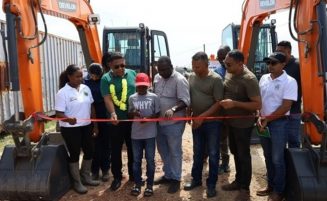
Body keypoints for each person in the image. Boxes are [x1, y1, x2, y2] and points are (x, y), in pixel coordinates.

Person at [220, 50, 261, 201]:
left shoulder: (249, 79)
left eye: (229, 64)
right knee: (235, 152)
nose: (226, 66)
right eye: (225, 63)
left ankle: (245, 188)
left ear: (240, 64)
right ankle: (238, 181)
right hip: (231, 122)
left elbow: (257, 104)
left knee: (243, 155)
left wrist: (234, 103)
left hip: (243, 124)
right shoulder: (230, 72)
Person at [256, 52, 297, 201]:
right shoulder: (263, 78)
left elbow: (286, 106)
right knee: (267, 156)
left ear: (283, 64)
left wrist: (268, 119)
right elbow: (259, 100)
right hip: (263, 122)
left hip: (279, 123)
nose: (270, 66)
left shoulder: (290, 81)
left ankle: (279, 191)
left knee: (277, 159)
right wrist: (259, 116)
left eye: (273, 63)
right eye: (268, 63)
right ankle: (271, 185)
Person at [183, 51, 224, 198]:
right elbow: (190, 96)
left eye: (198, 67)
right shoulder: (192, 76)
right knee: (198, 152)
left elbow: (219, 103)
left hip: (213, 122)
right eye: (193, 66)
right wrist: (189, 112)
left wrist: (202, 117)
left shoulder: (216, 79)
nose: (195, 69)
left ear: (206, 65)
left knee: (213, 154)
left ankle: (211, 184)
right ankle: (196, 179)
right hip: (197, 121)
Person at [55, 64, 100, 194]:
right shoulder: (62, 93)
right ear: (69, 77)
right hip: (70, 128)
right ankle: (76, 182)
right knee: (74, 153)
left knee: (89, 150)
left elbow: (92, 107)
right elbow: (59, 113)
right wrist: (68, 119)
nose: (81, 78)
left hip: (86, 126)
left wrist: (95, 125)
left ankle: (85, 176)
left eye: (81, 76)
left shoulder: (86, 88)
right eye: (77, 76)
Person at [153, 56, 190, 194]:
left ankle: (176, 179)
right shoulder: (157, 77)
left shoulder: (180, 80)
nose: (161, 72)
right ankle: (168, 175)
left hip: (174, 123)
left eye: (164, 69)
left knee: (174, 151)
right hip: (158, 122)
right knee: (162, 150)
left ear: (171, 66)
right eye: (159, 70)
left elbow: (185, 101)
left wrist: (173, 109)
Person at [100, 52, 136, 191]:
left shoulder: (132, 73)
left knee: (133, 149)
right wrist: (113, 113)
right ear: (110, 65)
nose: (121, 68)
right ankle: (117, 177)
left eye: (123, 65)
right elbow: (108, 98)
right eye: (117, 66)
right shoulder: (105, 79)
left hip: (132, 120)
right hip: (115, 122)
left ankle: (134, 175)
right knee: (115, 150)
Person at [128, 73, 160, 197]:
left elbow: (157, 114)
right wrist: (134, 113)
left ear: (148, 86)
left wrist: (147, 118)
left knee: (150, 160)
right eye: (139, 86)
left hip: (150, 134)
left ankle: (150, 185)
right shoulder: (132, 98)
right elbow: (129, 113)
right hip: (136, 134)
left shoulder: (154, 97)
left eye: (144, 86)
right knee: (136, 161)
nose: (141, 89)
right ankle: (137, 184)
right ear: (136, 86)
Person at [84, 63, 111, 182]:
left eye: (97, 76)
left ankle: (105, 170)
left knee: (106, 143)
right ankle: (94, 170)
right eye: (92, 76)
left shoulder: (105, 80)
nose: (95, 78)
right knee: (93, 144)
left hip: (104, 112)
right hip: (90, 113)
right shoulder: (85, 82)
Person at [276, 41, 302, 148]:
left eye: (281, 51)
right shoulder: (276, 65)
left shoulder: (298, 65)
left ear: (289, 51)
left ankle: (294, 164)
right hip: (278, 112)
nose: (278, 54)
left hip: (293, 112)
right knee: (280, 142)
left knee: (293, 141)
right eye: (277, 51)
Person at [214, 45, 231, 174]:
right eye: (219, 58)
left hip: (236, 110)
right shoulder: (218, 71)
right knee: (222, 138)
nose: (221, 61)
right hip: (221, 109)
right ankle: (224, 163)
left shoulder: (239, 69)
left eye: (223, 58)